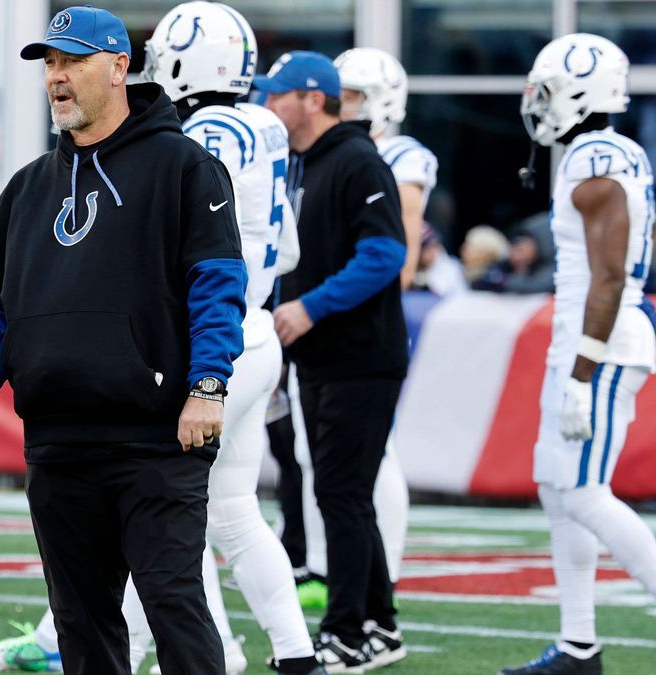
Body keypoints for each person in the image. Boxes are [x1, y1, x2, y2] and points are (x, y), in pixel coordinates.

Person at [0, 5, 323, 675]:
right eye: (53, 62)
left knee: (169, 530)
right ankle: (297, 653)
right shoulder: (267, 127)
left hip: (200, 341)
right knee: (230, 511)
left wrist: (204, 380)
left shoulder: (194, 140)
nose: (58, 76)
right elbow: (289, 246)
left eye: (72, 60)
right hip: (249, 329)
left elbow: (191, 248)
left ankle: (163, 646)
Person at [501, 33, 656, 675]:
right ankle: (579, 645)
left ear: (578, 92)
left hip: (596, 343)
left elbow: (608, 277)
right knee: (556, 486)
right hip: (587, 335)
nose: (538, 106)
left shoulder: (595, 160)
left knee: (582, 490)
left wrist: (582, 370)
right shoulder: (596, 152)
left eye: (547, 93)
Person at [261, 50, 407, 671]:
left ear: (312, 99)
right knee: (343, 493)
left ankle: (346, 630)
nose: (268, 104)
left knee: (341, 494)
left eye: (279, 94)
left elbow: (385, 254)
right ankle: (380, 624)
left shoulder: (354, 158)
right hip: (321, 355)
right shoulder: (304, 161)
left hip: (358, 354)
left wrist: (311, 307)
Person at [285, 47, 440, 616]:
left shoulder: (392, 157)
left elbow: (393, 259)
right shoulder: (320, 155)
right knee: (320, 467)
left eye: (350, 95)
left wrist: (318, 305)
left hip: (357, 334)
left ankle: (378, 583)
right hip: (323, 336)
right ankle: (346, 580)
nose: (336, 103)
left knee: (365, 470)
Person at [413, 224, 468, 297]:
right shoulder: (412, 264)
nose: (433, 252)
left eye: (434, 246)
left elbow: (438, 292)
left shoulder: (450, 266)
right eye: (427, 249)